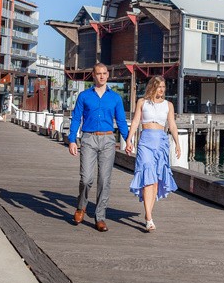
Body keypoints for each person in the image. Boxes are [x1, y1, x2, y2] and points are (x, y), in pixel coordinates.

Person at [67, 62, 129, 232]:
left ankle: (100, 217)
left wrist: (128, 140)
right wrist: (72, 140)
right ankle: (81, 206)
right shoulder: (84, 96)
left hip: (108, 139)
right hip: (88, 138)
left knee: (104, 180)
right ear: (93, 76)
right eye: (99, 73)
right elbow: (76, 118)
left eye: (104, 73)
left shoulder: (115, 98)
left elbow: (121, 121)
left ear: (108, 75)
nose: (102, 76)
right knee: (86, 178)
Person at [125, 76, 180, 232]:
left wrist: (177, 143)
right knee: (147, 177)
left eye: (163, 86)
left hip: (161, 142)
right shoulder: (142, 102)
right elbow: (136, 121)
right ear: (152, 87)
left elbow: (172, 125)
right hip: (146, 142)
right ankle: (149, 218)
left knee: (155, 180)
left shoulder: (168, 105)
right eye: (159, 86)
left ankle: (148, 214)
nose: (161, 89)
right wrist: (129, 139)